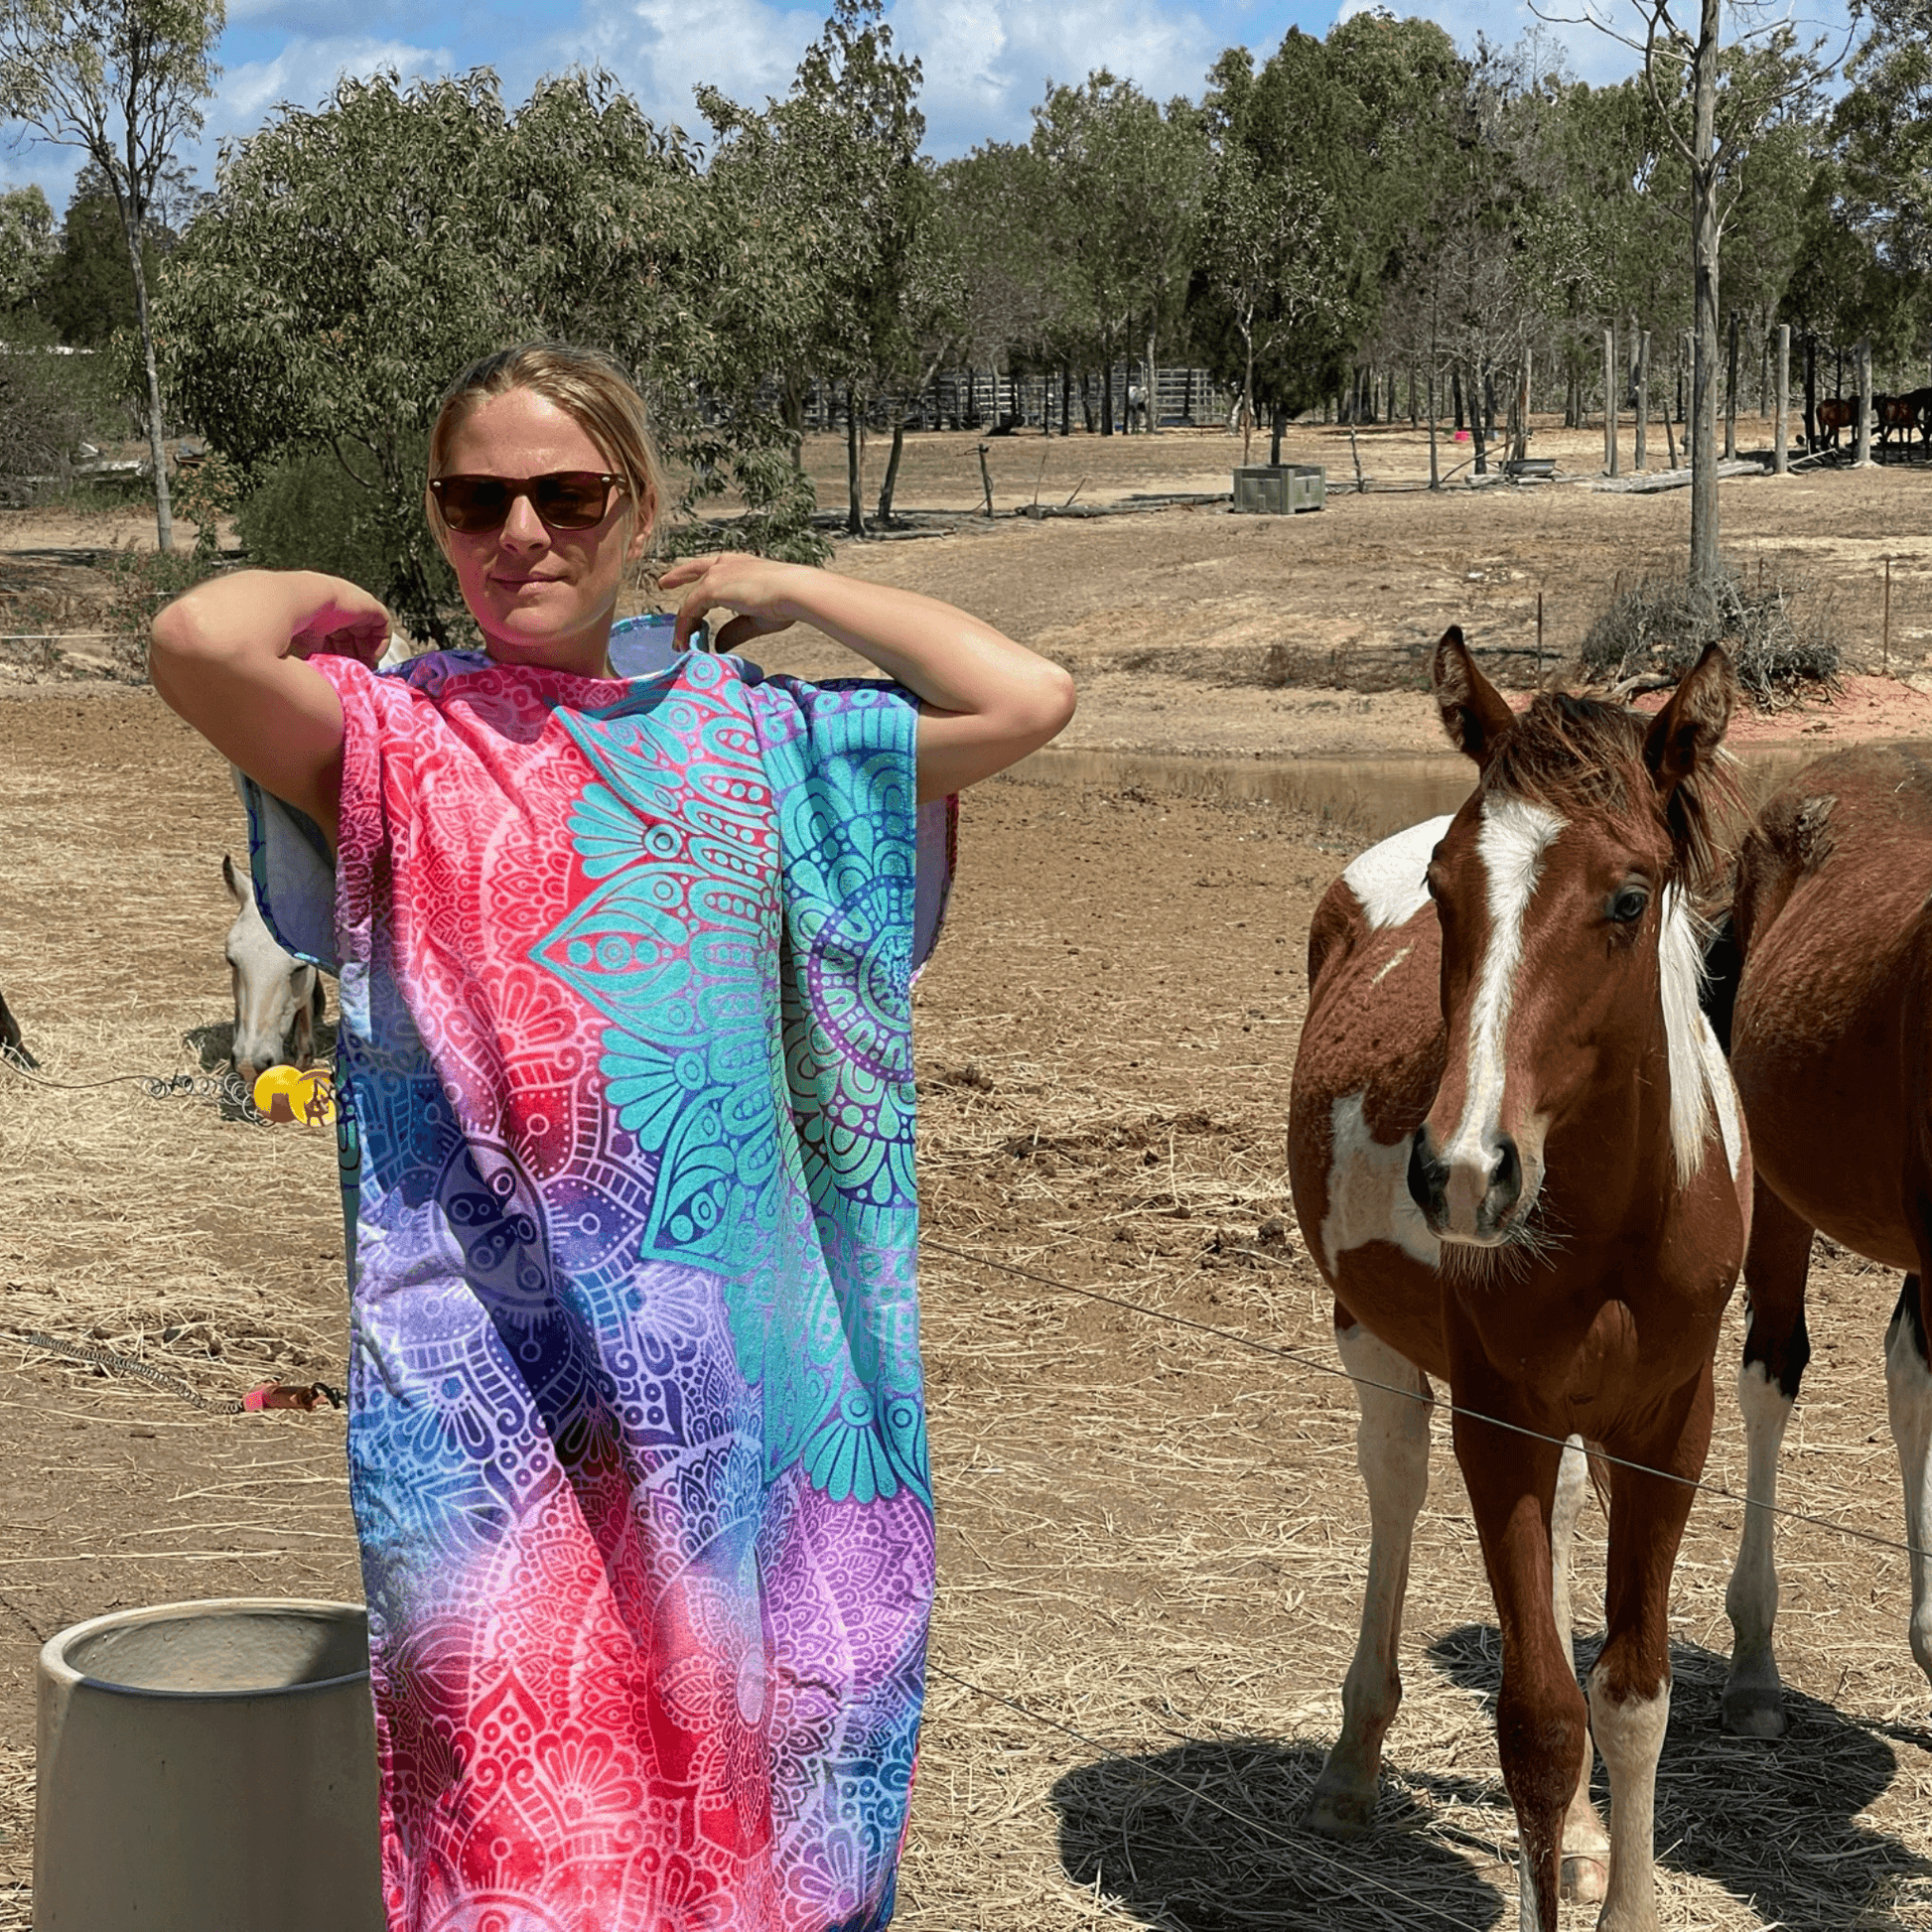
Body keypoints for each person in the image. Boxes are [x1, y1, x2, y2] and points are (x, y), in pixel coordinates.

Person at [149, 342, 1074, 1932]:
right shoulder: (392, 740)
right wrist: (339, 604)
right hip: (485, 1420)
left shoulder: (762, 740)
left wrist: (788, 580)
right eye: (474, 495)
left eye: (566, 492)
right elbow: (192, 639)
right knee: (518, 1813)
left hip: (744, 1407)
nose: (521, 530)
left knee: (758, 1795)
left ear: (635, 509)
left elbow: (1024, 695)